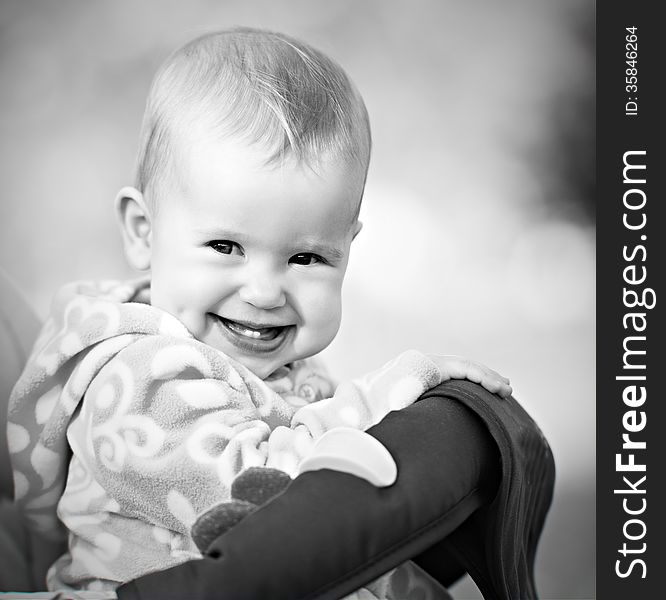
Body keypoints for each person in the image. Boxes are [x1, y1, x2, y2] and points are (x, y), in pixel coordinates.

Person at [7, 27, 511, 597]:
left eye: (306, 256)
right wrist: (386, 397)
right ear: (144, 233)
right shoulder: (134, 381)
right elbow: (268, 499)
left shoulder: (282, 371)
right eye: (226, 247)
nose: (267, 291)